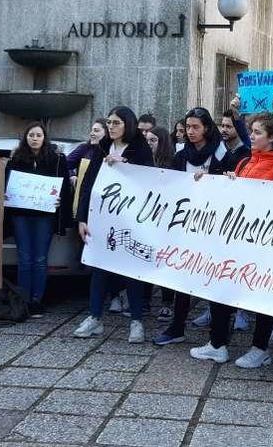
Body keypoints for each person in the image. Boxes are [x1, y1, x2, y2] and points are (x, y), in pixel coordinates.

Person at [189, 113, 273, 366]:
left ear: (272, 137)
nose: (251, 136)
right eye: (252, 131)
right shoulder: (243, 163)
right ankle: (217, 344)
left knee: (264, 296)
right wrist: (215, 184)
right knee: (221, 287)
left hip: (267, 245)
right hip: (236, 242)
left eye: (258, 132)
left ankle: (260, 348)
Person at [153, 107, 235, 346]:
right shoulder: (180, 155)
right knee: (182, 279)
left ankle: (218, 335)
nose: (190, 131)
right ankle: (177, 327)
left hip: (214, 228)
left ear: (207, 128)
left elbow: (232, 187)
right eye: (187, 127)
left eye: (195, 127)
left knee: (214, 279)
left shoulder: (221, 154)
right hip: (186, 226)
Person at [73, 106, 154, 343]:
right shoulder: (101, 148)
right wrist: (82, 218)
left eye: (116, 122)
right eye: (109, 122)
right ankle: (94, 317)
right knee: (98, 269)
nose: (111, 126)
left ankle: (137, 321)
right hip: (102, 218)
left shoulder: (140, 148)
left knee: (132, 272)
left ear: (128, 124)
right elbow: (87, 185)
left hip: (130, 220)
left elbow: (150, 180)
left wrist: (124, 163)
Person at [4, 122, 73, 317]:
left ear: (44, 138)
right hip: (21, 216)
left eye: (38, 135)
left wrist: (60, 200)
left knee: (41, 259)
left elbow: (64, 187)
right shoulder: (16, 159)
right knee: (24, 258)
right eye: (31, 135)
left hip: (44, 216)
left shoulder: (56, 159)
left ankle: (37, 300)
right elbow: (6, 183)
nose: (34, 138)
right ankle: (23, 300)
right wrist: (5, 195)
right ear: (25, 138)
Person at [145, 126, 176, 320]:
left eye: (153, 140)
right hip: (148, 218)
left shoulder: (172, 163)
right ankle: (145, 300)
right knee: (146, 259)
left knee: (165, 260)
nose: (149, 144)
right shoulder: (143, 162)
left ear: (162, 142)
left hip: (166, 220)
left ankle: (166, 303)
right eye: (147, 140)